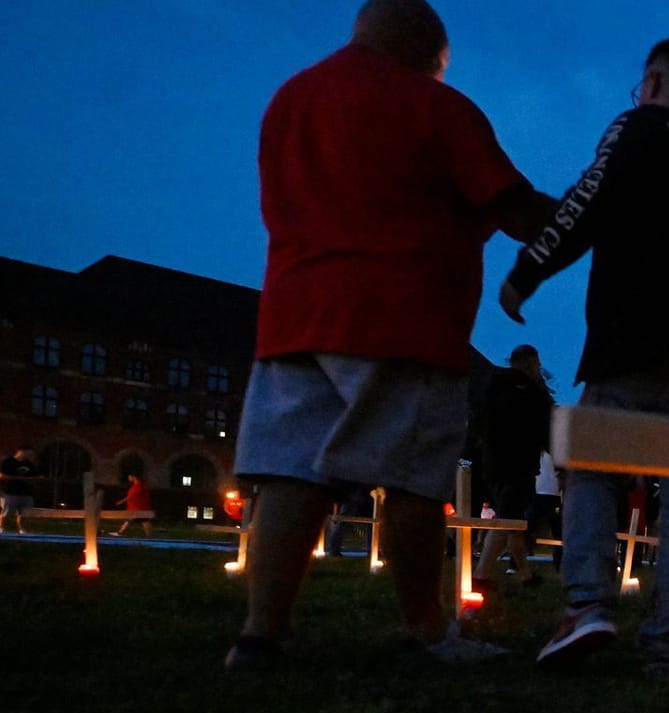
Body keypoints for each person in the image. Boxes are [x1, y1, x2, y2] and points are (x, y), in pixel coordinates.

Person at [226, 0, 554, 671]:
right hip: (402, 320)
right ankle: (426, 630)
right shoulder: (436, 107)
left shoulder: (292, 99)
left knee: (293, 474)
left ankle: (262, 635)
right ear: (431, 50)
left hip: (294, 318)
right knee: (413, 482)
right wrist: (593, 221)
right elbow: (516, 209)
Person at [502, 38, 669, 673]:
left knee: (590, 463)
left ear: (651, 82)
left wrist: (528, 269)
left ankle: (587, 604)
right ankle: (664, 648)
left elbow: (590, 200)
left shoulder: (643, 127)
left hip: (641, 337)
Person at [473, 344, 553, 593]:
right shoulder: (531, 394)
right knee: (509, 519)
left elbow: (479, 422)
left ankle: (525, 574)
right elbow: (544, 431)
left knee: (514, 521)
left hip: (493, 463)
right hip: (519, 465)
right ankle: (480, 576)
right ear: (531, 363)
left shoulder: (493, 388)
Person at [3, 447, 40, 533]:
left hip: (26, 493)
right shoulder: (8, 462)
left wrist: (36, 478)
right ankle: (1, 527)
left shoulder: (29, 464)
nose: (30, 456)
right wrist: (18, 478)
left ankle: (21, 529)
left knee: (24, 513)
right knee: (7, 511)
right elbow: (2, 476)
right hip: (12, 492)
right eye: (29, 454)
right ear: (22, 452)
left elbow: (35, 475)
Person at [112, 472, 152, 537]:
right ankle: (119, 532)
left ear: (134, 477)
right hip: (137, 508)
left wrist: (120, 502)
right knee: (132, 520)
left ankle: (149, 536)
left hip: (139, 508)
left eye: (129, 476)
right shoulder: (137, 486)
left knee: (145, 521)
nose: (128, 478)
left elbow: (131, 496)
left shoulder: (138, 486)